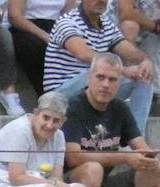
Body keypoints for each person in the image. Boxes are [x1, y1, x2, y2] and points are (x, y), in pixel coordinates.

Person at [64, 53, 160, 187]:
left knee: (158, 169)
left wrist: (151, 158)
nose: (106, 84)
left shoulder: (119, 109)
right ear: (89, 78)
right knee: (92, 169)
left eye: (112, 79)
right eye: (100, 77)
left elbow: (141, 147)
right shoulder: (73, 106)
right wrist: (125, 158)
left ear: (119, 83)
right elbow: (72, 157)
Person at [45, 0, 155, 128]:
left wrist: (146, 61)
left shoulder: (106, 24)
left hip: (92, 84)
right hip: (61, 92)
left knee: (143, 79)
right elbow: (82, 54)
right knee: (93, 73)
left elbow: (129, 51)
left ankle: (136, 140)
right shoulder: (67, 22)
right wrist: (122, 71)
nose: (100, 1)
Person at [9, 0, 73, 94]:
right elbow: (14, 16)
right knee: (39, 48)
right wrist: (44, 35)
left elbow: (67, 17)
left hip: (54, 27)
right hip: (25, 28)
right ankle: (45, 94)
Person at [113, 0, 160, 65]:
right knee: (130, 26)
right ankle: (127, 68)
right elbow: (126, 13)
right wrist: (155, 26)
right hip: (121, 34)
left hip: (152, 40)